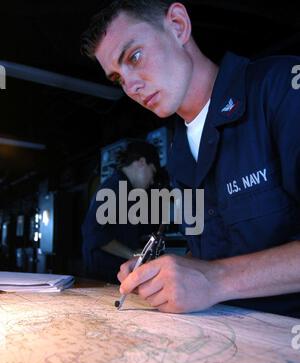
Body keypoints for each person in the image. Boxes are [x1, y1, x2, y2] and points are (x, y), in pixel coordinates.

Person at [81, 0, 300, 316]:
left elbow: (217, 275)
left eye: (135, 56)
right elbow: (214, 257)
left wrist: (216, 281)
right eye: (117, 78)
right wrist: (170, 271)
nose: (130, 86)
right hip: (225, 343)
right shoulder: (179, 153)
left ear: (179, 25)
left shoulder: (281, 88)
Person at [82, 140, 161, 284]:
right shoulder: (115, 187)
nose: (151, 181)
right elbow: (95, 234)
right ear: (141, 162)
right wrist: (134, 254)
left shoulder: (125, 189)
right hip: (103, 280)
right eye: (152, 172)